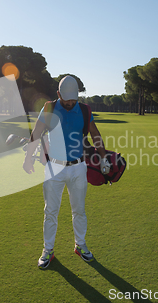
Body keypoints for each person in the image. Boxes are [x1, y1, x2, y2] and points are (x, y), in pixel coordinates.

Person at [23, 75, 110, 269]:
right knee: (51, 211)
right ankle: (48, 251)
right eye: (67, 100)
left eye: (74, 100)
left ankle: (80, 245)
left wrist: (104, 157)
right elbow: (36, 133)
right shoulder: (49, 108)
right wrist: (27, 158)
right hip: (54, 167)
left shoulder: (85, 110)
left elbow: (95, 134)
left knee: (79, 210)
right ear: (58, 95)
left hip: (79, 167)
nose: (70, 103)